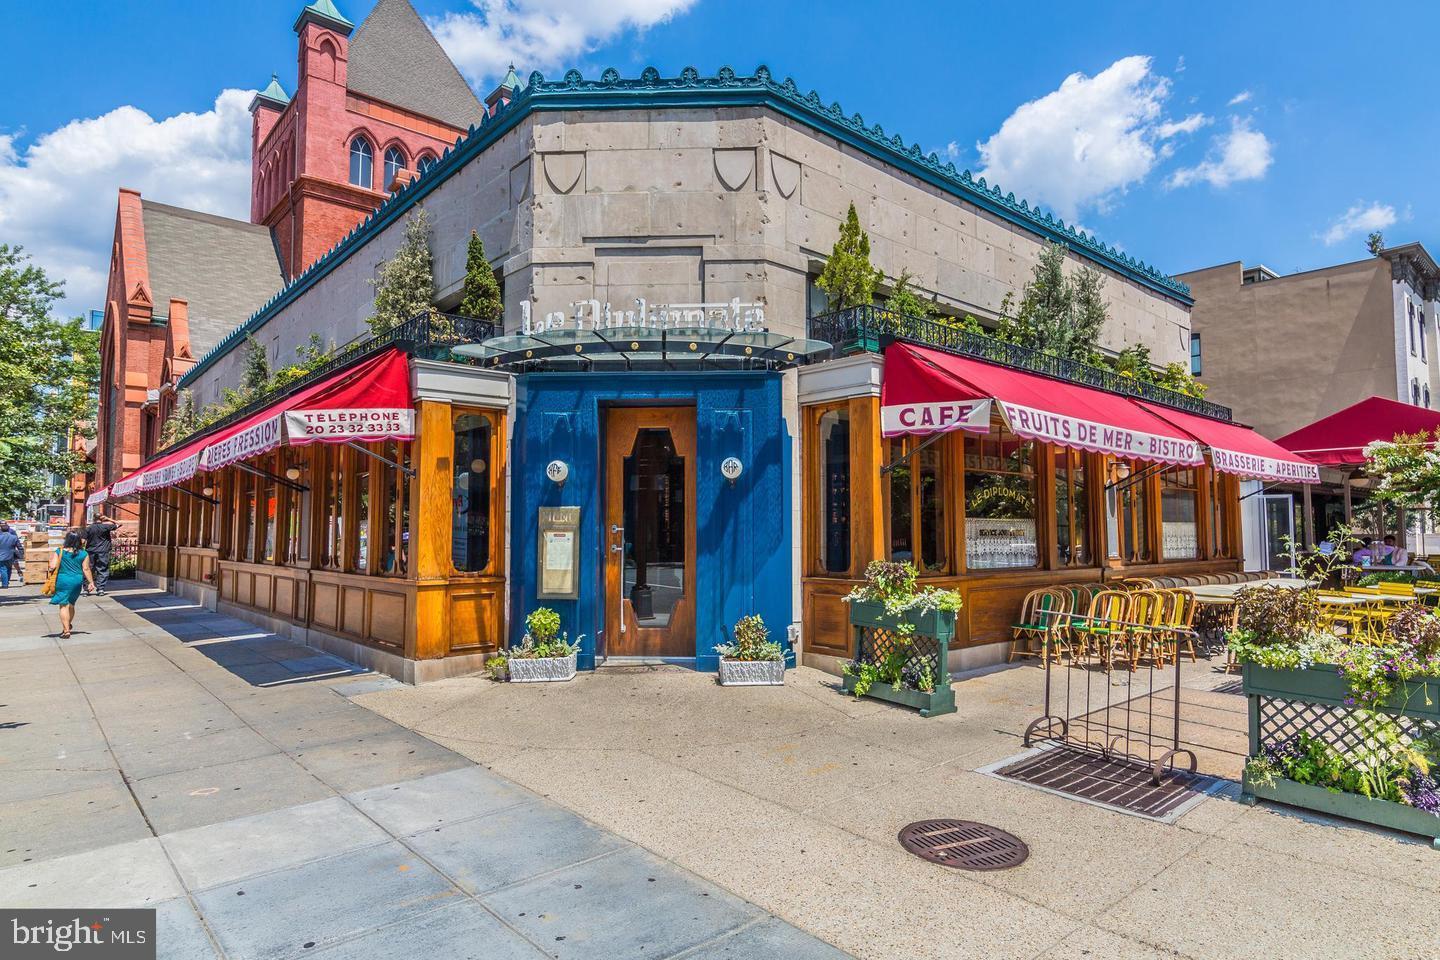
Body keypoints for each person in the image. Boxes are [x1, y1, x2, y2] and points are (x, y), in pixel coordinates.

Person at [48, 530, 97, 639]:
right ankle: (68, 624)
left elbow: (52, 566)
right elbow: (86, 569)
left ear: (67, 540)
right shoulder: (83, 553)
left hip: (63, 580)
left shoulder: (59, 551)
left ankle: (66, 630)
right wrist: (91, 582)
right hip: (77, 580)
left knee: (63, 604)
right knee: (71, 604)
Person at [84, 513, 119, 595]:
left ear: (93, 518)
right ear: (102, 518)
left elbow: (83, 540)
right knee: (102, 569)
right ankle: (100, 589)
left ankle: (86, 589)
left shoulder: (89, 528)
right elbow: (119, 524)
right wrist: (108, 518)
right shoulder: (106, 527)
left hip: (90, 551)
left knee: (89, 569)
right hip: (103, 551)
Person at [0, 523, 21, 588]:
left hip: (1, 555)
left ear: (1, 529)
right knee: (9, 569)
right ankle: (7, 581)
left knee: (3, 569)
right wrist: (21, 554)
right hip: (11, 555)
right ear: (8, 529)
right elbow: (19, 546)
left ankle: (5, 584)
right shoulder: (14, 537)